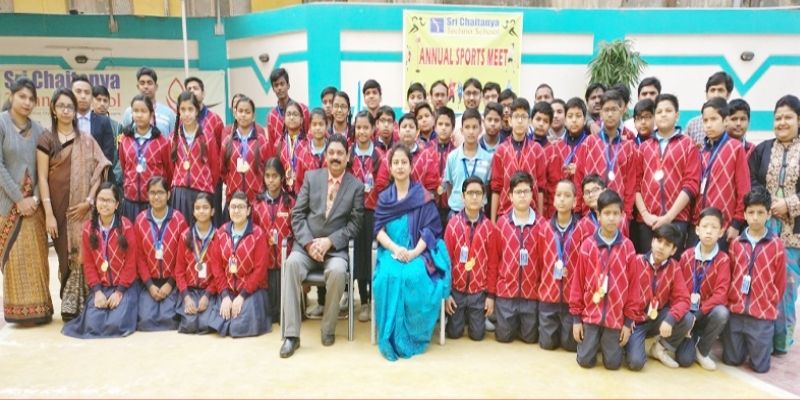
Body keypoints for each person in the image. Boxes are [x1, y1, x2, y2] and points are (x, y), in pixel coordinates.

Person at [280, 134, 364, 358]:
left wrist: (329, 242)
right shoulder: (311, 177)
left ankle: (328, 329)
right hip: (306, 248)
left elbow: (355, 225)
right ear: (325, 155)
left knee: (338, 272)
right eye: (332, 153)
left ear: (347, 156)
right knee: (291, 265)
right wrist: (309, 243)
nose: (335, 157)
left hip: (334, 250)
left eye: (340, 153)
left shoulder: (355, 186)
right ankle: (291, 336)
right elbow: (297, 215)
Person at [36, 88, 110, 321]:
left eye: (70, 106)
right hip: (58, 209)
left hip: (83, 210)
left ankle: (84, 303)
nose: (66, 110)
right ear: (53, 109)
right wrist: (49, 213)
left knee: (84, 252)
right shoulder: (47, 139)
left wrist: (90, 201)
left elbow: (102, 166)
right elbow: (42, 178)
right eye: (61, 106)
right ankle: (68, 301)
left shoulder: (86, 140)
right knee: (64, 255)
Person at [373, 144, 451, 361]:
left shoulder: (422, 196)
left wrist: (414, 252)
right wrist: (395, 248)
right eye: (395, 163)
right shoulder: (385, 198)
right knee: (388, 277)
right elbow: (378, 230)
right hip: (391, 251)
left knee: (413, 276)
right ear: (390, 168)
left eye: (403, 162)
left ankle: (414, 335)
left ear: (410, 166)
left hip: (418, 251)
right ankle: (390, 334)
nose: (400, 166)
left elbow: (430, 230)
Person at [748, 94, 800, 354]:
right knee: (762, 282)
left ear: (799, 120)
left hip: (794, 233)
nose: (782, 122)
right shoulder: (763, 150)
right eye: (778, 118)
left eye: (788, 117)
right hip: (765, 228)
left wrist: (789, 204)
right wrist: (767, 205)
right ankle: (762, 339)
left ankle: (782, 341)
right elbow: (752, 182)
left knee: (787, 286)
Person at [0, 78, 52, 324]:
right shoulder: (1, 124)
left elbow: (45, 170)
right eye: (22, 96)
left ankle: (40, 310)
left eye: (32, 98)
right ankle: (18, 312)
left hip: (35, 208)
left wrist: (37, 199)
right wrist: (19, 199)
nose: (27, 102)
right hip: (8, 206)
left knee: (37, 258)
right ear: (11, 96)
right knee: (15, 259)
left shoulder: (40, 131)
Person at [569, 190, 637, 370]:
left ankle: (608, 346)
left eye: (616, 213)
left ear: (622, 216)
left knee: (613, 365)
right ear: (598, 215)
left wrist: (628, 323)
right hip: (591, 316)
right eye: (607, 213)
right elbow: (577, 283)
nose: (611, 218)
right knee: (584, 361)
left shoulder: (628, 247)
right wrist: (576, 319)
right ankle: (591, 344)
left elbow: (634, 287)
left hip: (615, 318)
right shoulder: (588, 245)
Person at [61, 182, 139, 338]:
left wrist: (119, 292)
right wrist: (97, 292)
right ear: (95, 203)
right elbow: (89, 265)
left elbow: (131, 264)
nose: (104, 204)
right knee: (93, 324)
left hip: (124, 287)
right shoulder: (88, 229)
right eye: (101, 199)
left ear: (117, 204)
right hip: (101, 287)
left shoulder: (127, 227)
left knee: (117, 324)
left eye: (109, 200)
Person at [723, 188, 787, 373]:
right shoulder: (736, 244)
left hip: (761, 316)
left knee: (760, 367)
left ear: (768, 214)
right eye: (751, 212)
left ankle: (757, 345)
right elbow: (730, 274)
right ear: (744, 214)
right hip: (736, 312)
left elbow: (780, 282)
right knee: (731, 360)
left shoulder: (776, 245)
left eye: (760, 212)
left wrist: (769, 302)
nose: (755, 217)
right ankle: (741, 346)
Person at [633, 94, 700, 255]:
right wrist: (645, 215)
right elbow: (635, 184)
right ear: (654, 116)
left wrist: (669, 217)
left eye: (668, 111)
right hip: (647, 222)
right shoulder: (643, 148)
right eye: (659, 111)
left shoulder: (688, 145)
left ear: (677, 115)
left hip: (677, 220)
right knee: (647, 266)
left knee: (673, 267)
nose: (663, 114)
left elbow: (691, 184)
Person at [626, 224, 694, 370]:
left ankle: (660, 347)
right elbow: (623, 293)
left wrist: (670, 319)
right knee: (636, 363)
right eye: (659, 240)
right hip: (635, 322)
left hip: (657, 318)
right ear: (652, 241)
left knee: (687, 318)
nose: (661, 247)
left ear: (673, 250)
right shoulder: (636, 262)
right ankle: (635, 344)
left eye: (667, 244)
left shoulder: (674, 267)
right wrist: (627, 318)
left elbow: (683, 299)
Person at [687, 97, 750, 250]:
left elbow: (744, 190)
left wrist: (736, 223)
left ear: (726, 121)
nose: (708, 125)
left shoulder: (735, 148)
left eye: (713, 119)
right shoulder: (701, 151)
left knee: (719, 263)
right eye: (705, 120)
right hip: (699, 225)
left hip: (723, 226)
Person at [675, 207, 731, 370]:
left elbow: (721, 295)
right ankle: (683, 341)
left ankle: (702, 350)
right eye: (705, 226)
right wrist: (688, 314)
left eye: (714, 227)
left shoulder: (723, 260)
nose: (709, 231)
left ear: (721, 232)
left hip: (705, 315)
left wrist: (698, 314)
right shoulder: (687, 255)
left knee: (721, 313)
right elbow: (677, 288)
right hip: (686, 314)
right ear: (697, 230)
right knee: (684, 360)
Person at [444, 176, 498, 341]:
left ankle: (477, 318)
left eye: (478, 193)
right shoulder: (453, 225)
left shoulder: (489, 228)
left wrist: (490, 296)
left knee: (477, 335)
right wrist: (447, 294)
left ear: (484, 198)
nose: (474, 197)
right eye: (470, 193)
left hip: (478, 292)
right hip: (456, 291)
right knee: (454, 334)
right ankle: (454, 318)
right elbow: (446, 262)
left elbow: (493, 264)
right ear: (463, 196)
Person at [210, 191, 271, 337]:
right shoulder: (221, 232)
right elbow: (216, 267)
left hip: (251, 292)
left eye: (241, 207)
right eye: (233, 207)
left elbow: (260, 270)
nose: (236, 211)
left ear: (248, 210)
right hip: (228, 290)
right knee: (219, 324)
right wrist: (224, 295)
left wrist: (242, 295)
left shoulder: (258, 234)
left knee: (238, 327)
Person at [348, 111, 390, 322]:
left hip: (374, 213)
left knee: (373, 256)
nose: (362, 131)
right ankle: (363, 301)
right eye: (358, 127)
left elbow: (384, 186)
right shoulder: (348, 154)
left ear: (373, 129)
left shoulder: (381, 156)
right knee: (358, 257)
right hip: (354, 213)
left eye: (366, 127)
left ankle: (375, 300)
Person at [493, 172, 543, 343]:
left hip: (531, 294)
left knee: (530, 339)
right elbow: (496, 258)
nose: (522, 195)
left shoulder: (541, 225)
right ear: (510, 196)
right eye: (518, 192)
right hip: (506, 293)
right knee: (503, 337)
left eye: (526, 191)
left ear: (532, 194)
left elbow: (543, 262)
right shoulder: (502, 223)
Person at [573, 90, 638, 217]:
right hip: (590, 213)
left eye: (614, 109)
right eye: (606, 110)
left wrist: (627, 214)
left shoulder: (628, 147)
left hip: (616, 215)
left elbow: (630, 185)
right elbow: (579, 176)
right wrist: (577, 210)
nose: (610, 114)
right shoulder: (589, 142)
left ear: (621, 111)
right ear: (601, 113)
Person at [135, 176, 187, 331]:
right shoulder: (140, 220)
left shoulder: (179, 220)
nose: (156, 197)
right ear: (147, 195)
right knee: (145, 320)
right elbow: (139, 258)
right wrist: (150, 285)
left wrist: (170, 284)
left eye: (161, 192)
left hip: (172, 282)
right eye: (152, 193)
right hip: (149, 283)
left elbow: (182, 257)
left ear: (168, 194)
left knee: (170, 319)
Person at [538, 180, 580, 351]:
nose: (562, 199)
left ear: (575, 201)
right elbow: (539, 261)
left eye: (567, 195)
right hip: (549, 297)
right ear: (553, 200)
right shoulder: (544, 228)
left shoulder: (581, 229)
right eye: (558, 195)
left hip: (571, 300)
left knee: (570, 346)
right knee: (547, 345)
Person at [252, 158, 296, 323]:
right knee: (268, 312)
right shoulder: (257, 203)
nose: (271, 180)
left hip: (286, 259)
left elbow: (296, 231)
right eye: (267, 176)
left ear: (282, 177)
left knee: (286, 309)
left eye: (275, 176)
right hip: (265, 262)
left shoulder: (290, 202)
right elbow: (253, 233)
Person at [117, 95, 172, 222]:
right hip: (130, 202)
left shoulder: (162, 142)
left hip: (154, 202)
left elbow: (169, 171)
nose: (139, 115)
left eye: (143, 111)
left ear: (151, 114)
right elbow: (124, 167)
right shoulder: (125, 140)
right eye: (135, 111)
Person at [169, 91, 220, 226]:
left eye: (190, 109)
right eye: (183, 109)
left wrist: (204, 183)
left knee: (202, 233)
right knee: (181, 231)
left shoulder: (208, 136)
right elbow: (170, 168)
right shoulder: (173, 137)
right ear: (178, 111)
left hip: (202, 192)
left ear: (197, 111)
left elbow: (215, 168)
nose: (187, 114)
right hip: (179, 195)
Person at [490, 98, 545, 221]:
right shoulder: (501, 150)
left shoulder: (537, 150)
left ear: (529, 121)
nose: (520, 121)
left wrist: (540, 218)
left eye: (524, 117)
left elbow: (541, 188)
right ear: (510, 121)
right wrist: (493, 221)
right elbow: (496, 188)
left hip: (531, 214)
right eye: (516, 117)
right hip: (505, 213)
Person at [174, 193, 219, 334]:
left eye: (205, 207)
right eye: (197, 208)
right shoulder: (185, 236)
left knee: (205, 325)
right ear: (193, 211)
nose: (201, 211)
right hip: (190, 290)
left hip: (210, 291)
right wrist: (186, 297)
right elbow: (179, 270)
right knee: (189, 325)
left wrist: (207, 295)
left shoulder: (219, 236)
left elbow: (220, 273)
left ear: (212, 211)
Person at [220, 96, 273, 211]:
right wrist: (233, 184)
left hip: (257, 199)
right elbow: (223, 171)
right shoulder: (227, 142)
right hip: (234, 201)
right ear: (235, 114)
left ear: (253, 116)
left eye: (247, 112)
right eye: (240, 111)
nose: (243, 115)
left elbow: (268, 169)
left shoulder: (263, 142)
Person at [442, 108, 492, 214]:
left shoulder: (488, 158)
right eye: (467, 127)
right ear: (461, 130)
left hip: (479, 212)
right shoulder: (452, 157)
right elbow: (449, 185)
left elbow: (487, 187)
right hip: (456, 211)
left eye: (474, 127)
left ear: (480, 130)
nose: (471, 131)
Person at [72, 74, 116, 167]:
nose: (83, 96)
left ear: (91, 97)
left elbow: (108, 156)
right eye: (78, 91)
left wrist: (97, 173)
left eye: (87, 92)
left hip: (98, 173)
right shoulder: (65, 121)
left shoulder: (104, 122)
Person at [121, 67, 176, 136]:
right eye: (142, 83)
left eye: (149, 83)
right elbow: (124, 138)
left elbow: (174, 140)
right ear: (138, 86)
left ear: (156, 87)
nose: (146, 86)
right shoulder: (129, 112)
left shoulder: (169, 114)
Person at [685, 71, 734, 146]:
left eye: (720, 90)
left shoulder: (734, 122)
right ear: (706, 94)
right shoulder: (692, 125)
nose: (716, 94)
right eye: (712, 90)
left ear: (728, 94)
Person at [266, 68, 310, 147]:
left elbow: (309, 135)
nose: (279, 88)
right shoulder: (271, 116)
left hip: (301, 153)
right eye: (276, 85)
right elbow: (272, 145)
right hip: (281, 154)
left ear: (288, 85)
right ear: (273, 89)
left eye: (282, 84)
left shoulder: (303, 110)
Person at [275, 101, 311, 195]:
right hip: (284, 194)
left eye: (295, 114)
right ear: (284, 119)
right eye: (289, 114)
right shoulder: (278, 144)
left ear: (301, 119)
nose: (291, 117)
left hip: (304, 192)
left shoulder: (308, 143)